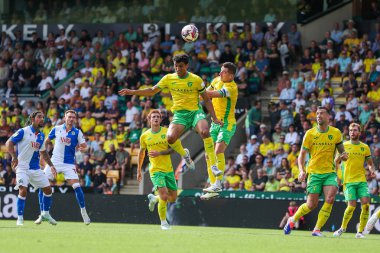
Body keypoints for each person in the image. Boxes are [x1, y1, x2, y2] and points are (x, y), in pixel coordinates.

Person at [119, 53, 221, 175]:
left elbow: (207, 99)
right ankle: (185, 154)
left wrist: (214, 117)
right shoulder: (168, 78)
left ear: (187, 66)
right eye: (176, 66)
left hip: (195, 112)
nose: (178, 69)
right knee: (170, 138)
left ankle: (213, 164)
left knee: (205, 131)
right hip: (179, 114)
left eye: (181, 66)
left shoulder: (196, 80)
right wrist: (132, 92)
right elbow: (152, 91)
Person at [284, 106, 348, 236]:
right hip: (313, 173)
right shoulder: (310, 133)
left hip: (330, 173)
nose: (319, 115)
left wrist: (345, 155)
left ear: (328, 117)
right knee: (311, 204)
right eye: (317, 113)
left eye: (322, 113)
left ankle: (317, 229)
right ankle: (292, 220)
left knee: (330, 198)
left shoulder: (335, 133)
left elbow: (342, 151)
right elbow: (301, 155)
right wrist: (302, 171)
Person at [34, 110, 91, 225]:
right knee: (43, 184)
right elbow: (46, 141)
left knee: (77, 186)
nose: (71, 119)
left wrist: (83, 148)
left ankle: (83, 212)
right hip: (54, 162)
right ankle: (43, 213)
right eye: (69, 117)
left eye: (73, 117)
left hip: (69, 164)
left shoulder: (77, 132)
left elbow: (85, 147)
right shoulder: (57, 128)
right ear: (65, 118)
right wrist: (42, 155)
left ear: (75, 119)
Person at [6, 111, 57, 226]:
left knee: (48, 190)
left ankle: (46, 214)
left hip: (35, 168)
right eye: (39, 117)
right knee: (23, 190)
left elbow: (43, 153)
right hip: (22, 166)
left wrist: (51, 165)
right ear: (32, 119)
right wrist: (14, 156)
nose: (42, 119)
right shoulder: (23, 131)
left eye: (43, 117)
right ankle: (19, 219)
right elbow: (9, 142)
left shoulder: (41, 135)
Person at [200, 62, 238, 200]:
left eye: (224, 72)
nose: (220, 74)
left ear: (231, 75)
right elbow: (203, 96)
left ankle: (218, 183)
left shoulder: (232, 87)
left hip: (227, 123)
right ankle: (212, 187)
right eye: (220, 71)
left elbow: (212, 94)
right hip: (215, 122)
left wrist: (198, 90)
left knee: (217, 151)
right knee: (208, 156)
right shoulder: (216, 80)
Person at [333, 123, 375, 238]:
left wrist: (372, 170)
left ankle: (360, 232)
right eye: (351, 130)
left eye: (355, 130)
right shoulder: (343, 146)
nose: (352, 132)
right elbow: (336, 162)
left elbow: (371, 164)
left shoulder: (365, 147)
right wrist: (338, 176)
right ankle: (343, 228)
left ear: (359, 132)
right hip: (348, 181)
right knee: (351, 206)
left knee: (366, 205)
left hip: (361, 180)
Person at [138, 110, 177, 230]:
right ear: (149, 119)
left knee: (173, 198)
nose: (155, 118)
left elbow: (173, 149)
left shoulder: (167, 133)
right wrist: (139, 170)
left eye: (158, 117)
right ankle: (164, 223)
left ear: (160, 120)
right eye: (153, 117)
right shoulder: (144, 135)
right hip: (155, 170)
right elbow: (141, 153)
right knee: (164, 196)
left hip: (169, 170)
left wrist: (159, 153)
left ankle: (155, 198)